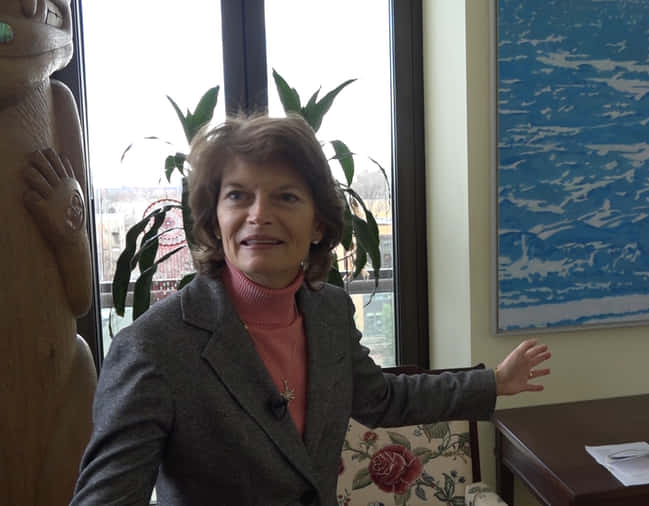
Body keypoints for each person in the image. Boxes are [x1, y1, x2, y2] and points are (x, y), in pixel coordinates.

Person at [71, 114, 551, 506]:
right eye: (238, 195)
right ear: (214, 220)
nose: (259, 214)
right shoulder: (154, 346)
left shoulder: (330, 312)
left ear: (318, 224)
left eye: (285, 196)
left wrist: (494, 382)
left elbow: (382, 399)